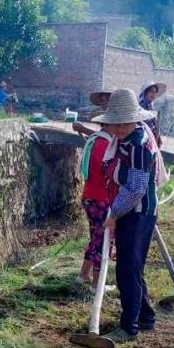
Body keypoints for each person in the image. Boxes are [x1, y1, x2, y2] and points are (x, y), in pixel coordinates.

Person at [80, 88, 162, 344]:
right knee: (132, 267)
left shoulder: (138, 145)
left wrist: (114, 213)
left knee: (127, 270)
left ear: (135, 120)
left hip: (136, 212)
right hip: (127, 209)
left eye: (124, 122)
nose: (119, 128)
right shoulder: (121, 141)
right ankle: (145, 316)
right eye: (115, 123)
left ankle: (129, 327)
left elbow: (136, 188)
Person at [75, 123, 117, 292]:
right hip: (100, 198)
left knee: (96, 237)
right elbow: (109, 171)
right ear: (109, 125)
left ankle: (83, 275)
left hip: (91, 196)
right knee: (104, 240)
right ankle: (97, 283)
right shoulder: (104, 144)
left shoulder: (96, 140)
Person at [138, 81, 167, 149]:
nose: (153, 94)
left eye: (155, 92)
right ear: (145, 93)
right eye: (151, 91)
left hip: (151, 140)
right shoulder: (141, 107)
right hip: (143, 140)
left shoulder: (151, 107)